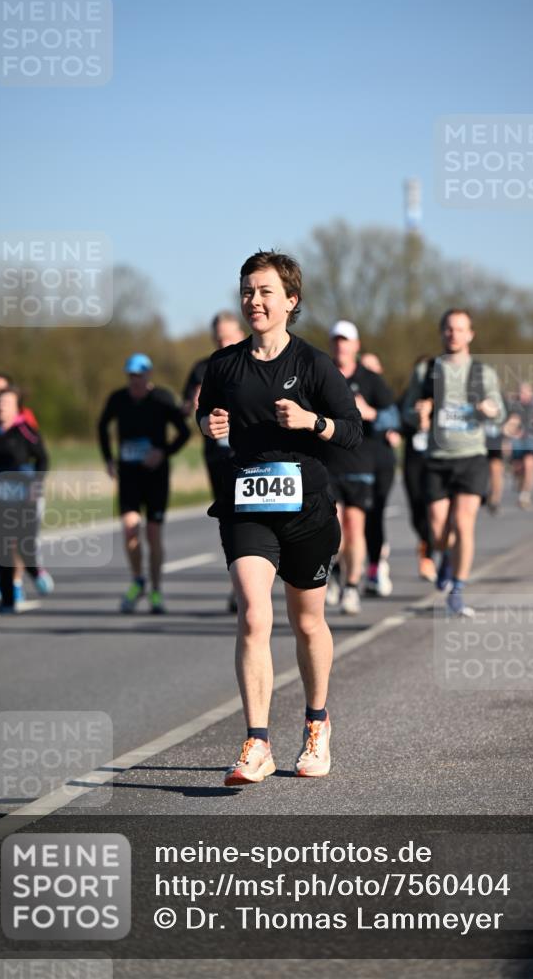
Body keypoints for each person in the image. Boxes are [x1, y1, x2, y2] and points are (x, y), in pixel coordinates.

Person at [196, 250, 362, 786]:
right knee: (252, 615)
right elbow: (205, 412)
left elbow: (352, 431)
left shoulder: (313, 364)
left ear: (291, 300)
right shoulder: (224, 364)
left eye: (266, 291)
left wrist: (313, 421)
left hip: (306, 510)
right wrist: (208, 424)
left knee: (307, 622)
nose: (254, 300)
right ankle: (258, 742)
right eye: (248, 291)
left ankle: (317, 724)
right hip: (247, 504)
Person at [402, 309, 505, 617]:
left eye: (460, 329)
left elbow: (500, 412)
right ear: (441, 332)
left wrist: (490, 410)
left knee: (463, 522)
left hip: (471, 456)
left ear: (470, 334)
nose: (453, 334)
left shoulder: (482, 373)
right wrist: (418, 413)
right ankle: (446, 556)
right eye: (448, 329)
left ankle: (458, 589)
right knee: (438, 532)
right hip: (436, 458)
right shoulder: (426, 371)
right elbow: (407, 411)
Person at [98, 353, 190, 614]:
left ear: (148, 374)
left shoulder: (161, 398)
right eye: (131, 375)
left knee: (152, 533)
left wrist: (163, 452)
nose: (135, 380)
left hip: (155, 476)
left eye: (139, 375)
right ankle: (138, 580)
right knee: (130, 529)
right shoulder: (118, 399)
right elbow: (102, 426)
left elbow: (184, 432)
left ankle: (156, 590)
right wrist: (108, 459)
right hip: (128, 474)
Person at [324, 321, 396, 614]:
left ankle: (351, 587)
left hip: (359, 464)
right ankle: (335, 574)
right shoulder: (321, 373)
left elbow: (393, 417)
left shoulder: (370, 379)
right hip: (326, 464)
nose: (341, 346)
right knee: (333, 530)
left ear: (356, 345)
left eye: (346, 341)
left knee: (355, 528)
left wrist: (370, 413)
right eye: (336, 340)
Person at [183, 313, 246, 612]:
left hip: (247, 454)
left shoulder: (251, 361)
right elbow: (188, 409)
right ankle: (239, 584)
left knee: (249, 517)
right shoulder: (202, 368)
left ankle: (251, 580)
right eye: (218, 338)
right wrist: (193, 404)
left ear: (240, 334)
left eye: (228, 337)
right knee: (227, 518)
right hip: (216, 455)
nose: (223, 342)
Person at [0, 387, 49, 614]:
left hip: (22, 494)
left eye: (6, 402)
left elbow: (42, 458)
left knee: (22, 543)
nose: (1, 405)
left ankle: (34, 570)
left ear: (16, 407)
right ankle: (7, 599)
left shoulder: (24, 430)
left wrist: (36, 484)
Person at [359, 352, 401, 597]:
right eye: (364, 367)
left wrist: (373, 415)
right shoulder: (347, 389)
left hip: (381, 463)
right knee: (353, 519)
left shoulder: (383, 392)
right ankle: (343, 571)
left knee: (374, 514)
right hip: (353, 463)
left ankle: (375, 568)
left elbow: (396, 419)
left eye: (372, 367)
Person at [398, 356, 437, 582]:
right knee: (416, 507)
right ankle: (425, 542)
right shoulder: (410, 397)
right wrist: (414, 418)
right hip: (414, 457)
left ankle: (430, 555)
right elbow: (399, 418)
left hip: (437, 458)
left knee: (435, 509)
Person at [505, 381, 533, 509]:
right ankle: (520, 483)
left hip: (532, 441)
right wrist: (510, 435)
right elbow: (508, 424)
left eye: (526, 392)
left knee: (530, 464)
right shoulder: (513, 407)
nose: (523, 395)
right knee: (519, 468)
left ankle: (525, 495)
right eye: (521, 392)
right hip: (517, 442)